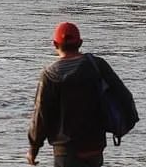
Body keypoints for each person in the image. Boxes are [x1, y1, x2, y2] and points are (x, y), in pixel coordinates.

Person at [27, 22, 135, 167]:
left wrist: (33, 149)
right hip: (94, 147)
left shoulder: (49, 75)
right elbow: (125, 97)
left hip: (65, 151)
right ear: (80, 43)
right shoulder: (97, 65)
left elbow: (41, 116)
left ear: (55, 44)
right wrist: (121, 127)